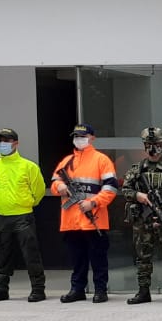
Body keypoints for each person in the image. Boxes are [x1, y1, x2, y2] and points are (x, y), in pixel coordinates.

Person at [121, 127, 162, 305]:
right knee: (142, 256)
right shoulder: (137, 169)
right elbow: (126, 189)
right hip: (143, 220)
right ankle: (143, 292)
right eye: (149, 144)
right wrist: (138, 196)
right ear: (144, 146)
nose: (152, 148)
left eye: (156, 144)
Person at [51, 124, 117, 304]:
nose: (79, 140)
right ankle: (77, 289)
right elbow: (54, 182)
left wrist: (93, 202)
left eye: (83, 136)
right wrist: (60, 186)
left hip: (94, 219)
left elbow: (111, 188)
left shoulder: (101, 160)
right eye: (76, 136)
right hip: (71, 220)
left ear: (92, 138)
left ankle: (100, 290)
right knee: (77, 259)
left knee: (98, 259)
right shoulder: (66, 161)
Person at [0, 127, 46, 303]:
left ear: (16, 143)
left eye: (7, 140)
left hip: (22, 215)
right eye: (0, 141)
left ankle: (38, 289)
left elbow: (39, 190)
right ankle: (0, 289)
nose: (2, 144)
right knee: (1, 255)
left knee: (30, 253)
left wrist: (28, 203)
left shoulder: (28, 166)